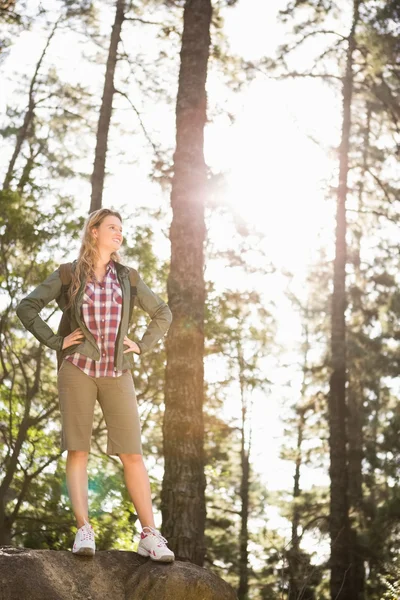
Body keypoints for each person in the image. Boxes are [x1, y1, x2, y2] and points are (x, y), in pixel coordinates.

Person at [16, 207, 174, 562]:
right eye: (112, 228)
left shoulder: (128, 277)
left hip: (117, 371)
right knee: (78, 449)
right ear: (94, 232)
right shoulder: (69, 274)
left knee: (132, 452)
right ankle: (83, 529)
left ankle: (150, 535)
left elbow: (163, 312)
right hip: (78, 369)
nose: (119, 234)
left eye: (121, 229)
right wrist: (57, 342)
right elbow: (27, 307)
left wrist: (143, 344)